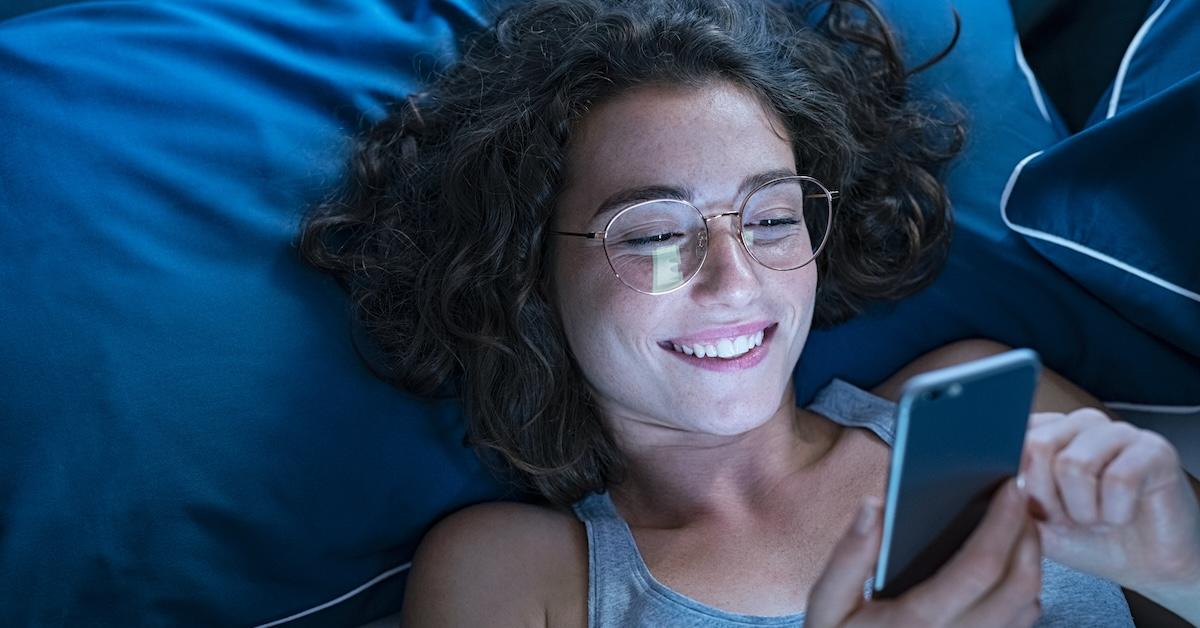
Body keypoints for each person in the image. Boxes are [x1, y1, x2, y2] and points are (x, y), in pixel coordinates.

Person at [300, 0, 1200, 625]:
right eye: (652, 233)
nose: (734, 281)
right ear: (526, 270)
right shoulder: (516, 573)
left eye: (772, 218)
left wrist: (1175, 567)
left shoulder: (987, 407)